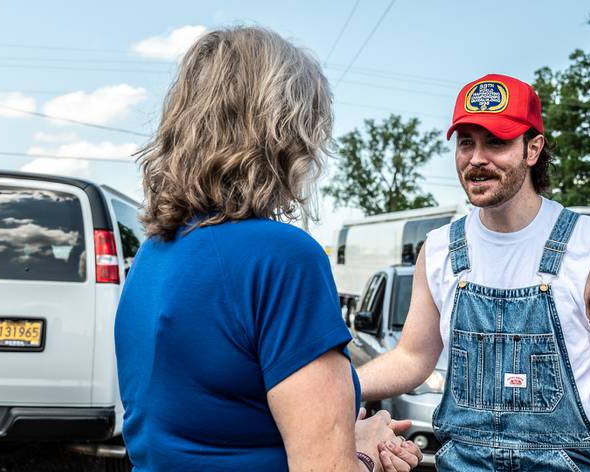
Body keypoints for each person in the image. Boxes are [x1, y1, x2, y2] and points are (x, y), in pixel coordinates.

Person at [356, 73, 590, 471]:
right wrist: (336, 386)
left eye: (496, 141)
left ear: (532, 149)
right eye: (466, 142)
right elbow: (412, 357)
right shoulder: (439, 250)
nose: (476, 158)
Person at [114, 27, 421, 472]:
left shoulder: (153, 253)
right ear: (289, 130)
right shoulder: (281, 258)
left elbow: (217, 425)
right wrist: (364, 450)